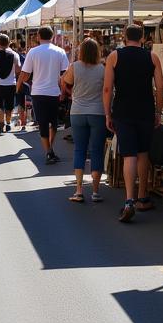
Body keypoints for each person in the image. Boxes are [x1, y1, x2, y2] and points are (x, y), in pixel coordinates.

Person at [103, 24, 163, 223]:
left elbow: (107, 88)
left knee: (129, 155)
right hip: (145, 110)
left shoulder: (115, 56)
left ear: (124, 37)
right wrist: (158, 111)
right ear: (143, 38)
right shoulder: (152, 57)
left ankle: (129, 200)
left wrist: (107, 114)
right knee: (143, 153)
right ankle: (143, 196)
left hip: (123, 110)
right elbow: (161, 87)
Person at [62, 38, 107, 203]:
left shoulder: (75, 67)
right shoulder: (102, 69)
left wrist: (72, 92)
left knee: (79, 150)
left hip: (78, 111)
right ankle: (95, 191)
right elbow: (108, 89)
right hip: (98, 112)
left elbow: (65, 82)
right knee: (96, 150)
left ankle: (79, 190)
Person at [17, 26, 69, 165]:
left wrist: (20, 84)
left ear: (39, 36)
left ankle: (48, 151)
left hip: (38, 92)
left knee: (43, 124)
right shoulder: (60, 51)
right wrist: (63, 90)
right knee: (53, 123)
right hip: (53, 92)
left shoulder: (33, 52)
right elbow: (65, 74)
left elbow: (25, 72)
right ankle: (50, 149)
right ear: (52, 36)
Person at [15, 39, 31, 129]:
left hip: (21, 82)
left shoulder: (21, 57)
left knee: (22, 103)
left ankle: (23, 121)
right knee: (26, 103)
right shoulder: (26, 57)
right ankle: (24, 121)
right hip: (27, 83)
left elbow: (20, 72)